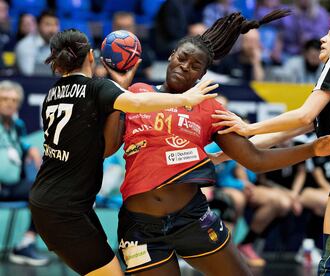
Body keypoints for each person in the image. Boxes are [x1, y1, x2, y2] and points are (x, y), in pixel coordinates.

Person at [116, 11, 330, 275]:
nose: (185, 66)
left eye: (195, 66)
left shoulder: (209, 109)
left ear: (201, 76)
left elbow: (255, 159)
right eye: (182, 58)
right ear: (172, 55)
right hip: (140, 227)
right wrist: (116, 94)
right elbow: (107, 145)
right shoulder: (138, 95)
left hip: (191, 219)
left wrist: (311, 149)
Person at [212, 18, 330, 275]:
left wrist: (248, 127)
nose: (323, 39)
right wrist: (216, 158)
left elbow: (303, 115)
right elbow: (280, 134)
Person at [28, 28, 219, 276]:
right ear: (90, 57)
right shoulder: (96, 88)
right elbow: (137, 102)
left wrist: (119, 88)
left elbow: (108, 146)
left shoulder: (53, 93)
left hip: (55, 201)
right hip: (64, 209)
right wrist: (186, 99)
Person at [0, 80, 48, 266]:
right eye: (4, 98)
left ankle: (25, 244)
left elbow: (20, 143)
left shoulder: (17, 125)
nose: (9, 103)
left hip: (11, 186)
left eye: (14, 100)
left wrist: (30, 149)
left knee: (43, 191)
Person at [15, 10, 60, 76]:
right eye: (48, 24)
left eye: (56, 24)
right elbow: (29, 74)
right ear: (38, 26)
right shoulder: (25, 45)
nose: (53, 29)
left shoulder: (60, 45)